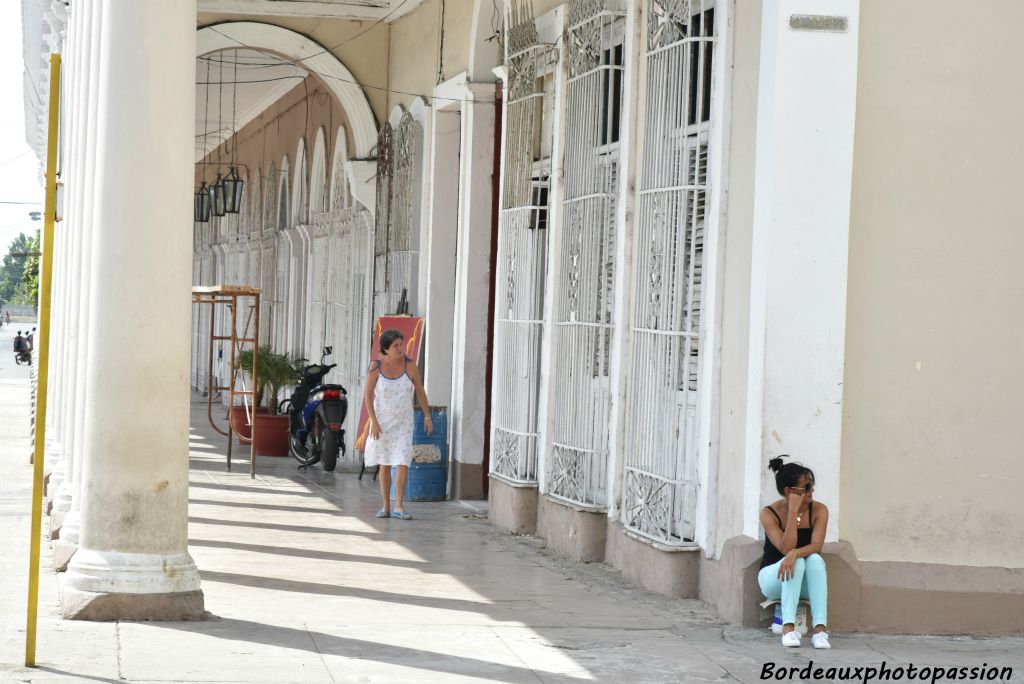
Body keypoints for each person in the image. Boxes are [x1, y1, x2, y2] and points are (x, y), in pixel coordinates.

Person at [758, 455, 831, 649]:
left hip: (803, 580)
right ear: (789, 491)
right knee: (797, 562)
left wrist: (795, 553)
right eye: (806, 487)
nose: (811, 490)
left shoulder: (819, 510)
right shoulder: (768, 513)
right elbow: (784, 548)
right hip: (773, 577)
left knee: (814, 559)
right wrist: (793, 512)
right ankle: (788, 629)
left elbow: (816, 545)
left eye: (812, 484)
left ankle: (820, 631)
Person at [362, 328, 431, 520]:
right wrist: (373, 422)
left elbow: (421, 392)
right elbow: (368, 397)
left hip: (403, 422)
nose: (401, 348)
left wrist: (427, 416)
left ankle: (399, 505)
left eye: (401, 344)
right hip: (382, 422)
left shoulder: (411, 366)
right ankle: (385, 506)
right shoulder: (375, 367)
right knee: (384, 462)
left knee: (402, 461)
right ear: (385, 349)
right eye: (396, 346)